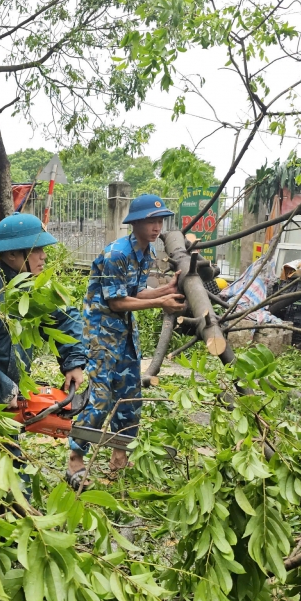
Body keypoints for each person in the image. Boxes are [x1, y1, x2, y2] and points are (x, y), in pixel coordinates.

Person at [67, 194, 185, 489]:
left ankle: (119, 458)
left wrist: (164, 290)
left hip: (125, 335)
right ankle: (75, 460)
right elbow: (117, 302)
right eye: (150, 221)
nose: (157, 226)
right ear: (135, 223)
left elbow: (134, 293)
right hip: (102, 336)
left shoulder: (146, 252)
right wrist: (162, 304)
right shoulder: (117, 253)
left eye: (160, 220)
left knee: (130, 396)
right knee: (99, 397)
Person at [0, 213, 87, 408]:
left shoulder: (34, 288)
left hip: (14, 394)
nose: (43, 255)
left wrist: (74, 362)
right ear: (11, 254)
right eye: (37, 249)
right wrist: (2, 390)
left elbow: (65, 319)